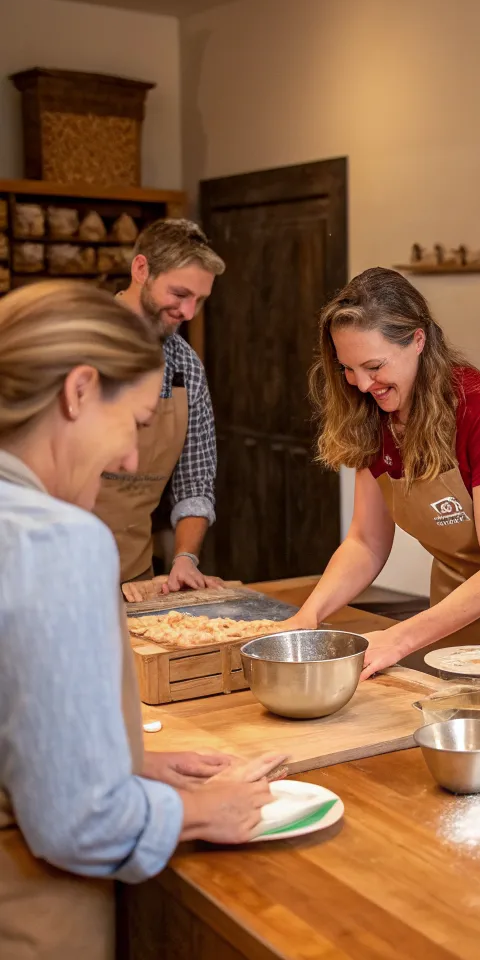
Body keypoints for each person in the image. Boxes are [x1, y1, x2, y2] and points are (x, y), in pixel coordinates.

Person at [0, 282, 280, 960]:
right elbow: (81, 822)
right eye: (132, 424)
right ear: (79, 391)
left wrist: (125, 761)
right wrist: (206, 810)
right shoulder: (55, 539)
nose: (130, 460)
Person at [288, 267, 480, 676]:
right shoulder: (372, 416)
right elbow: (366, 543)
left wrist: (398, 638)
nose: (361, 385)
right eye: (347, 369)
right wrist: (308, 618)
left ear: (418, 340)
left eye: (374, 366)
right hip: (456, 608)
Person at [92, 218, 225, 602]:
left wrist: (185, 557)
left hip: (135, 581)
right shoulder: (80, 342)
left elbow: (195, 482)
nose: (189, 312)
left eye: (199, 300)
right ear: (141, 269)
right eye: (180, 293)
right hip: (51, 576)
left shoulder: (186, 368)